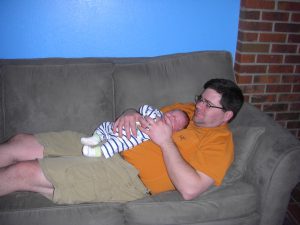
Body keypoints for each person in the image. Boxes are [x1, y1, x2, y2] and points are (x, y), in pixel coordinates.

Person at [0, 78, 244, 204]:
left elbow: (191, 190)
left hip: (126, 174)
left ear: (227, 115)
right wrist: (129, 114)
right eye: (200, 99)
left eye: (207, 104)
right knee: (20, 142)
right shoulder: (185, 110)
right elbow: (145, 115)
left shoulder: (220, 144)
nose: (198, 106)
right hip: (110, 140)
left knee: (23, 171)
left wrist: (166, 142)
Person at [81, 104, 189, 158]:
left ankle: (96, 152)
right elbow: (144, 107)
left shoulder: (166, 135)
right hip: (119, 126)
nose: (171, 116)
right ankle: (95, 138)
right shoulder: (156, 113)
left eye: (175, 120)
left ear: (175, 131)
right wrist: (152, 114)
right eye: (172, 113)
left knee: (115, 144)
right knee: (105, 125)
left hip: (127, 138)